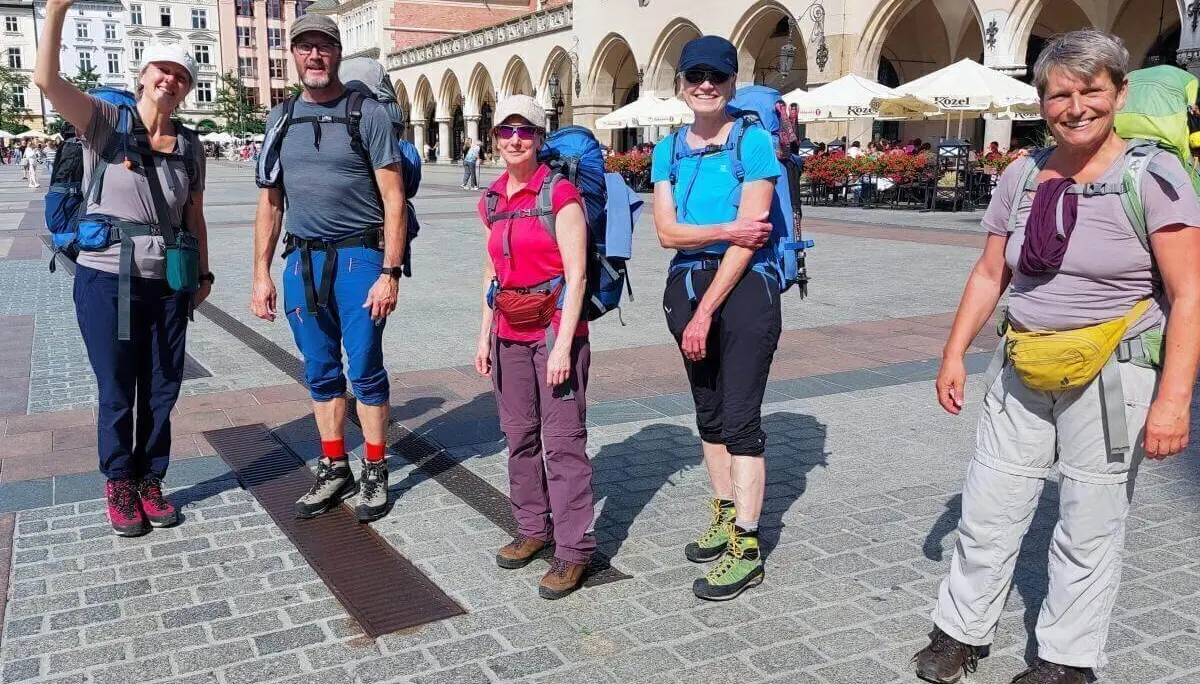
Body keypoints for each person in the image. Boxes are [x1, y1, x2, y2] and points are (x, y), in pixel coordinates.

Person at [914, 30, 1200, 684]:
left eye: (1091, 91)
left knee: (1088, 523)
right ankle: (960, 631)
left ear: (1119, 93)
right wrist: (954, 351)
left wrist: (1173, 402)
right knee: (987, 506)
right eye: (1059, 94)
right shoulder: (1021, 173)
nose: (1076, 107)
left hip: (1111, 371)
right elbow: (991, 274)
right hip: (1021, 363)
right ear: (1042, 101)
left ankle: (1068, 661)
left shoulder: (1155, 175)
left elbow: (1189, 295)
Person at [34, 0, 211, 536]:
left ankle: (150, 480)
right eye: (163, 70)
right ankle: (118, 483)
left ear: (186, 87)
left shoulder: (191, 147)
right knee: (116, 388)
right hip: (106, 279)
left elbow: (194, 218)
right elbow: (45, 79)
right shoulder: (105, 121)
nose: (171, 80)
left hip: (167, 286)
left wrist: (202, 276)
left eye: (181, 75)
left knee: (162, 388)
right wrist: (58, 10)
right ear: (143, 75)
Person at [250, 13, 405, 524]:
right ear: (292, 55)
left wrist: (390, 271)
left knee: (364, 368)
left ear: (337, 53)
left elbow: (393, 197)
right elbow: (271, 204)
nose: (314, 56)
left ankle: (376, 468)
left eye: (324, 46)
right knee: (319, 370)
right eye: (305, 47)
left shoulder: (367, 113)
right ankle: (334, 463)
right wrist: (261, 273)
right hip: (302, 261)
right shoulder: (280, 119)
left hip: (360, 258)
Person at [652, 35, 781, 601]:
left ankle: (747, 546)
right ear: (681, 83)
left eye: (717, 76)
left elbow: (753, 242)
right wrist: (727, 228)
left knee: (740, 417)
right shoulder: (667, 149)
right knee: (708, 413)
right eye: (695, 75)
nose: (706, 84)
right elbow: (665, 233)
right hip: (686, 282)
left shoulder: (754, 142)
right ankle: (726, 515)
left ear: (731, 83)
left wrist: (706, 310)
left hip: (745, 286)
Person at [472, 95, 595, 600]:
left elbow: (578, 273)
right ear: (494, 137)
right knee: (518, 435)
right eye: (506, 131)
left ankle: (573, 551)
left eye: (524, 131)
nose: (515, 139)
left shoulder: (559, 193)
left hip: (552, 332)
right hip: (508, 331)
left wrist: (564, 344)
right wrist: (483, 333)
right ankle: (531, 528)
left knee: (562, 443)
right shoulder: (493, 199)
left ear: (540, 137)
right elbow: (492, 271)